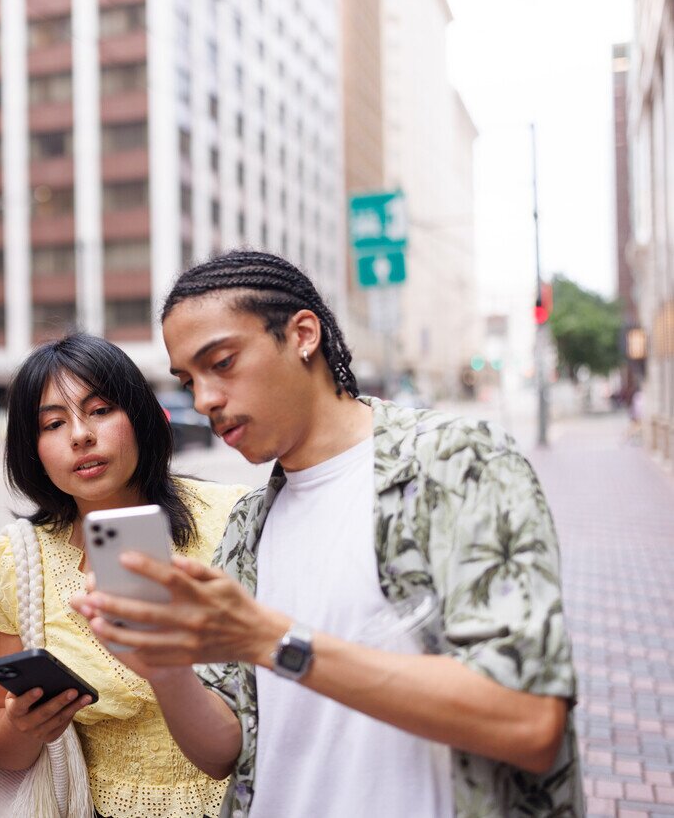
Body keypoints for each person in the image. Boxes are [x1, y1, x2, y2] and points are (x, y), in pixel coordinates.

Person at [73, 251, 582, 817]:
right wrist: (164, 666)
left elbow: (530, 721)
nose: (204, 400)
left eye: (221, 362)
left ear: (303, 335)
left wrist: (269, 639)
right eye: (189, 380)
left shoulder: (457, 462)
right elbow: (224, 751)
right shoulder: (248, 527)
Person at [0, 333, 248, 818]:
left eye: (99, 411)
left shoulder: (234, 519)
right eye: (53, 423)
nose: (80, 435)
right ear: (31, 449)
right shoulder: (18, 558)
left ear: (138, 417)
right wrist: (23, 725)